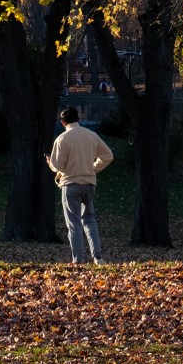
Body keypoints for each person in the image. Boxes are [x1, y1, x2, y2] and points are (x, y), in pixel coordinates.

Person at [48, 105, 114, 264]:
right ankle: (97, 256)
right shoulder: (91, 135)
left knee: (74, 223)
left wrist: (50, 162)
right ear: (79, 118)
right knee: (90, 220)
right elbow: (108, 156)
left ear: (62, 122)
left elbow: (58, 166)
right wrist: (93, 167)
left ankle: (77, 260)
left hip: (70, 184)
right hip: (89, 183)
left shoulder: (62, 139)